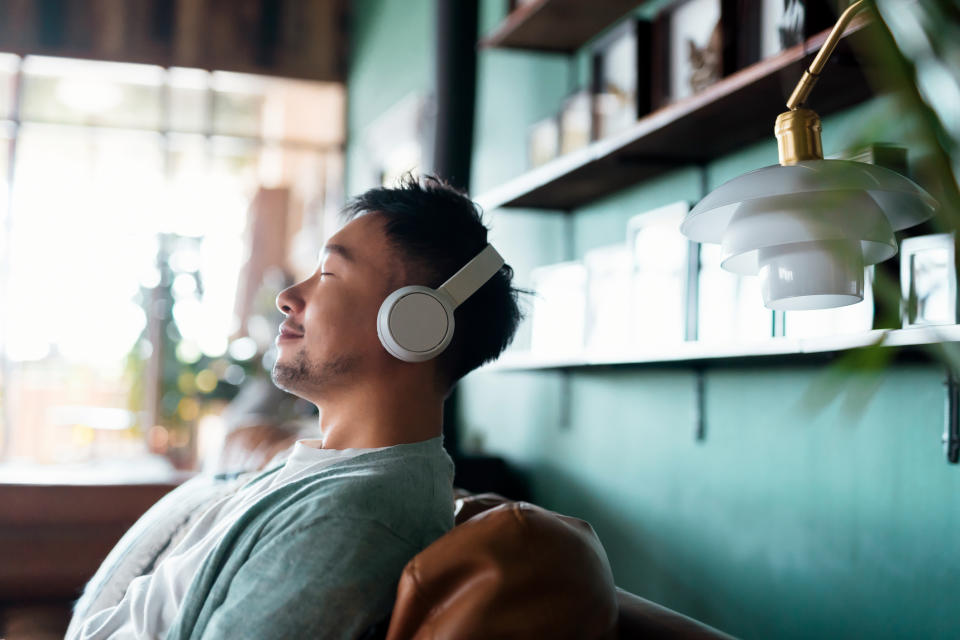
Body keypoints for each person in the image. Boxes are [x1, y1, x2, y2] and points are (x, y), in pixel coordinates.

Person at [67, 174, 524, 639]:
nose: (287, 299)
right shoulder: (317, 467)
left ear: (414, 323)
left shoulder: (356, 516)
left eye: (328, 274)